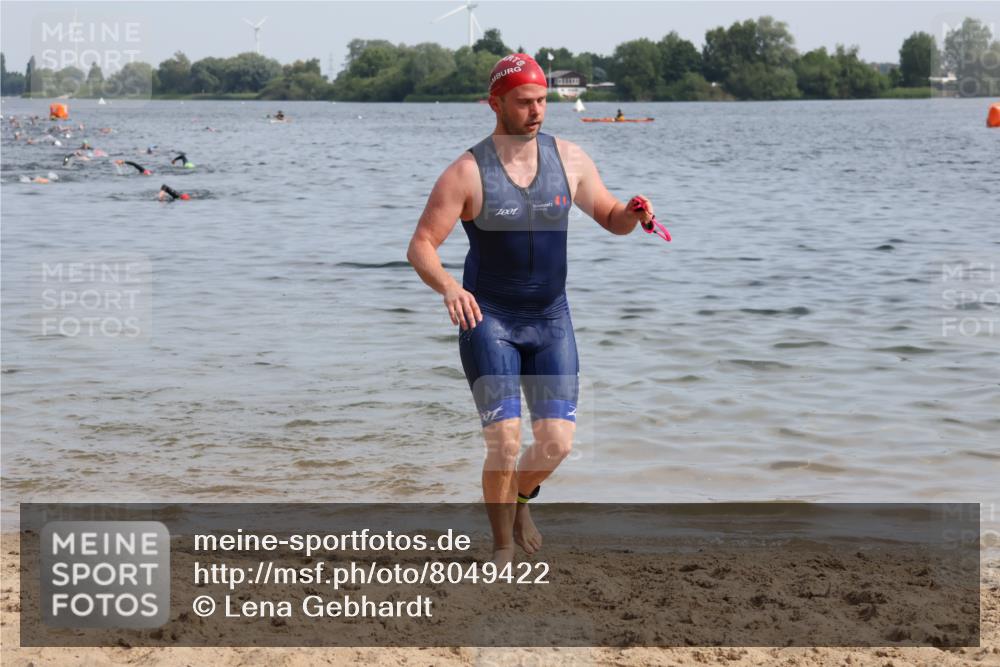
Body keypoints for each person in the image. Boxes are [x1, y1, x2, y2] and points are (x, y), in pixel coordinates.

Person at [407, 53, 655, 567]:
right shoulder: (466, 172)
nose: (537, 111)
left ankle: (521, 500)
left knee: (557, 444)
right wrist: (450, 287)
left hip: (550, 319)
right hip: (489, 320)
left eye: (542, 100)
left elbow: (609, 217)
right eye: (525, 102)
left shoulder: (571, 159)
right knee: (503, 441)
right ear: (495, 104)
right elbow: (421, 246)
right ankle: (500, 547)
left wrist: (632, 214)